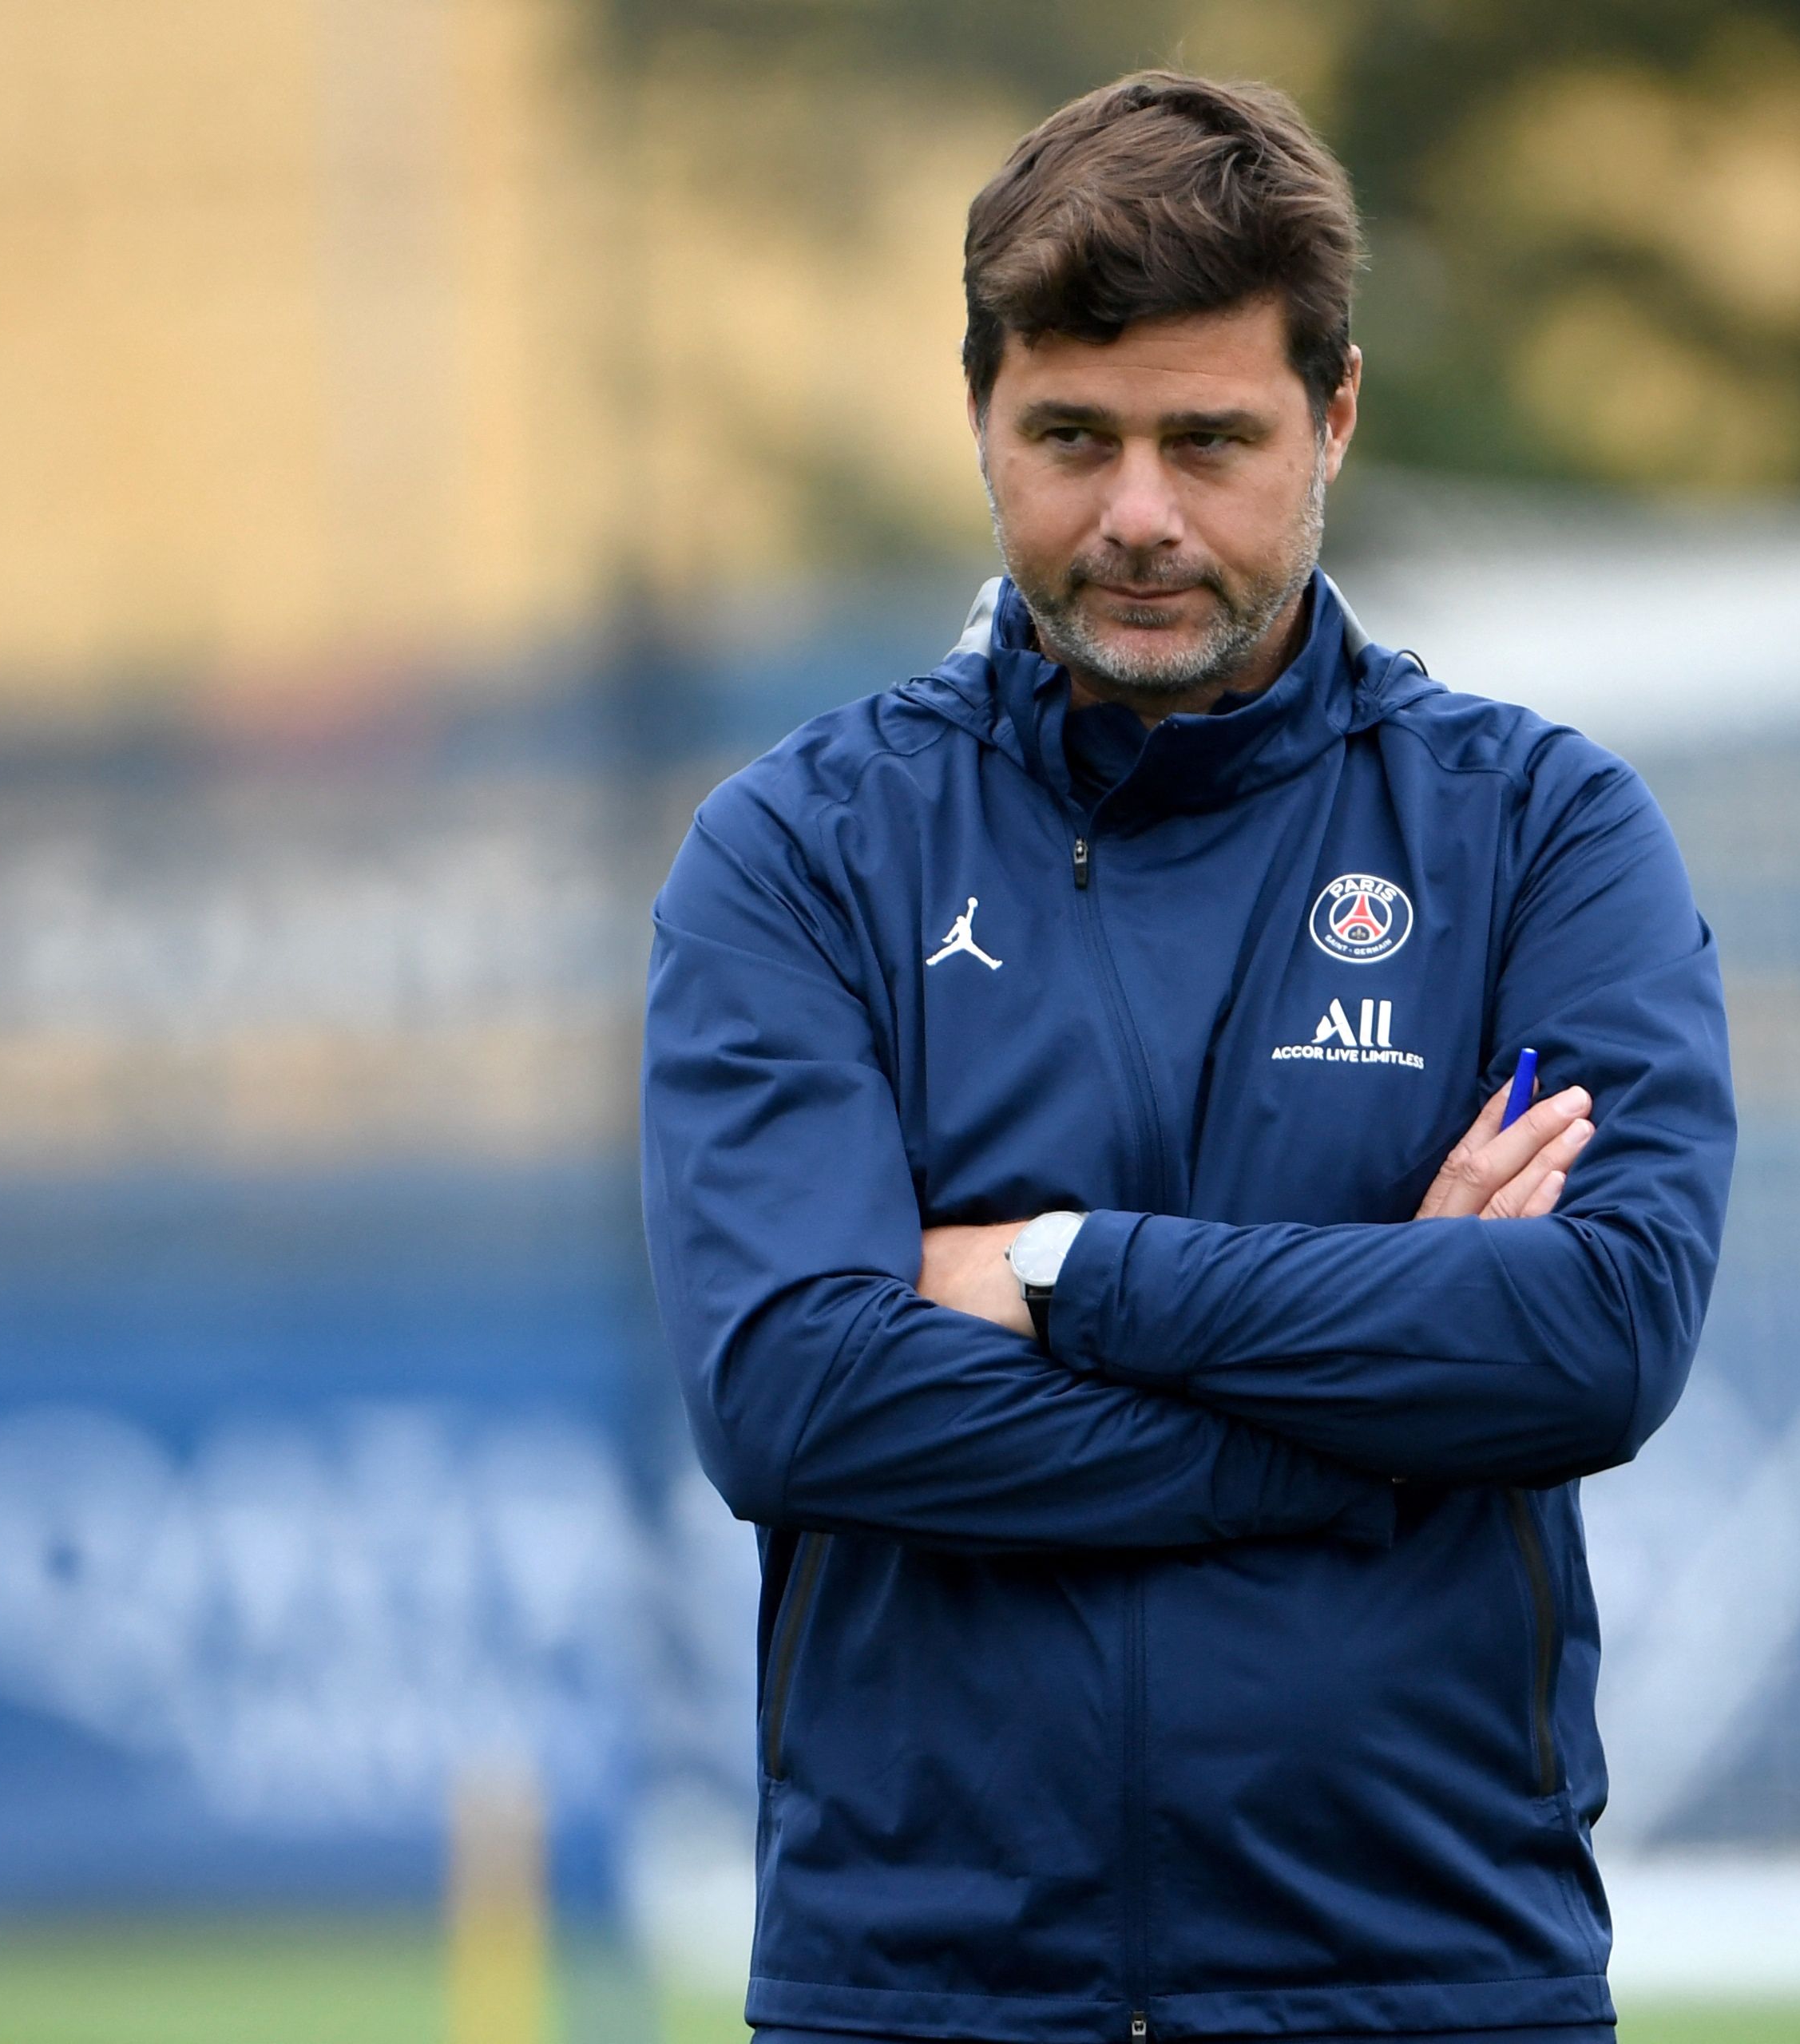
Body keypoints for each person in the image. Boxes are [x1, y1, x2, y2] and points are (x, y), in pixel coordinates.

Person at [639, 69, 1734, 2044]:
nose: (1139, 513)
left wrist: (1059, 1271)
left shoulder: (1538, 831)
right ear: (977, 411)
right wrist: (1364, 1412)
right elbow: (796, 1393)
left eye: (1209, 441)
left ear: (1334, 418)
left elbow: (1597, 1333)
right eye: (1073, 435)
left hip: (1426, 1975)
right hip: (922, 1983)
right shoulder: (800, 849)